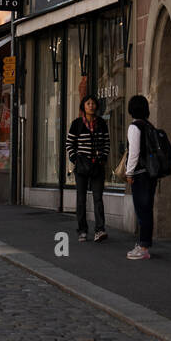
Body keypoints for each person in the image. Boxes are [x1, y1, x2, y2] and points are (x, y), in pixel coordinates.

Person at [67, 94, 110, 243]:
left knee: (98, 198)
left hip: (97, 165)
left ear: (96, 106)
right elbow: (69, 144)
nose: (91, 106)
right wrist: (75, 159)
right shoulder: (77, 124)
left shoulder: (102, 124)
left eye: (93, 103)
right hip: (81, 166)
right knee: (81, 199)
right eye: (88, 103)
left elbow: (106, 142)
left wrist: (103, 158)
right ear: (83, 107)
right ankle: (82, 230)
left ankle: (100, 229)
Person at [125, 94, 157, 260]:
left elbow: (134, 153)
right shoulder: (149, 125)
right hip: (151, 173)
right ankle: (144, 243)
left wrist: (129, 172)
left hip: (140, 174)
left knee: (142, 210)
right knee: (147, 209)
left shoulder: (134, 127)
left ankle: (144, 247)